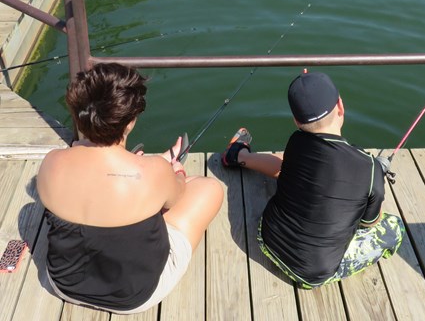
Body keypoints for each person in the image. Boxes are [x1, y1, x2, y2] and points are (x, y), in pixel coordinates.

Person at [36, 63, 223, 314]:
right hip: (133, 297)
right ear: (130, 122)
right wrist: (172, 172)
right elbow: (174, 200)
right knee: (208, 188)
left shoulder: (51, 162)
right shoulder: (154, 171)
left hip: (63, 284)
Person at [222, 71, 405, 289]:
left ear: (296, 121)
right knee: (393, 227)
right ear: (340, 106)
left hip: (266, 238)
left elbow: (285, 167)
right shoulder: (370, 168)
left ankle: (239, 155)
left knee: (288, 166)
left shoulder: (296, 141)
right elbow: (367, 224)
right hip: (310, 275)